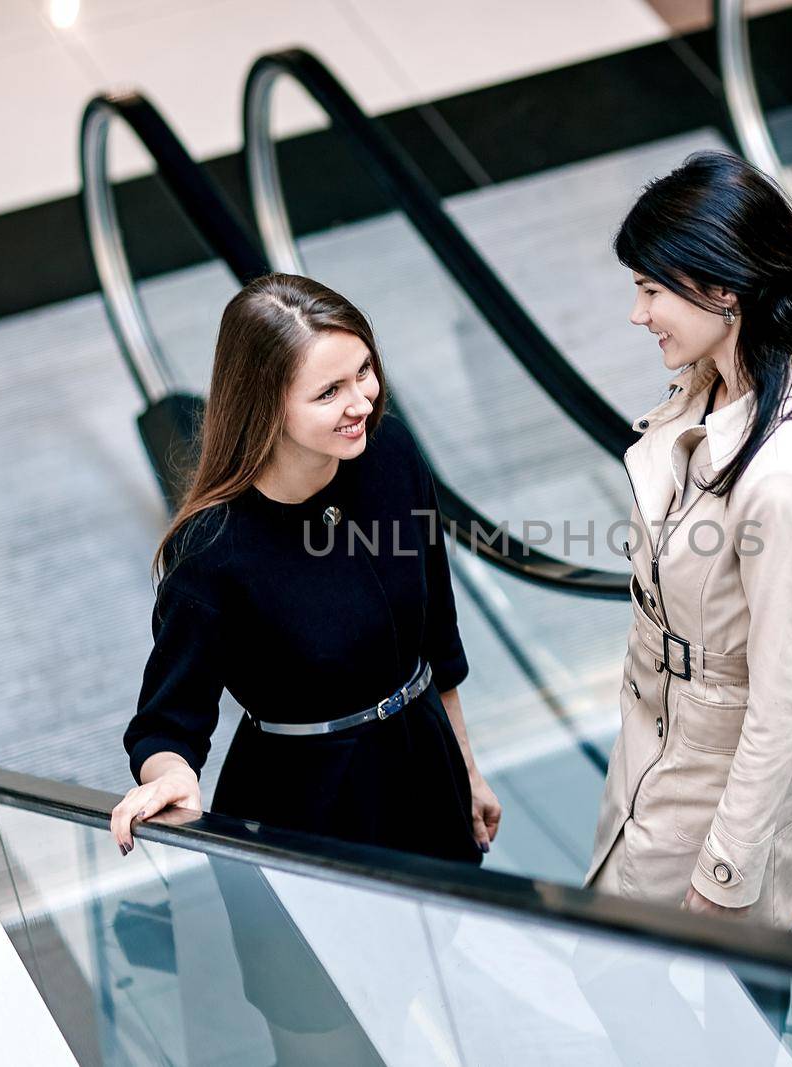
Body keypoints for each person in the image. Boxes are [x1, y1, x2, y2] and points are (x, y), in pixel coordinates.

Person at [112, 272, 502, 863]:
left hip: (426, 772)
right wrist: (169, 775)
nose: (361, 403)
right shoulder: (213, 550)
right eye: (328, 392)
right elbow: (167, 724)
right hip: (305, 811)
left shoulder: (391, 454)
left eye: (364, 371)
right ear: (266, 404)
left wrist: (466, 769)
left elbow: (436, 638)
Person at [585, 150, 792, 930]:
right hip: (666, 737)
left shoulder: (785, 478)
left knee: (667, 992)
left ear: (722, 288)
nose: (638, 314)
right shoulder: (727, 379)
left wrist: (727, 867)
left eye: (651, 290)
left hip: (715, 779)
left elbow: (785, 694)